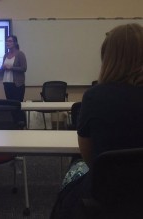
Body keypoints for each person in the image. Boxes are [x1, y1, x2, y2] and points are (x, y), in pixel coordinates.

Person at [50, 23, 143, 219]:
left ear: (108, 58)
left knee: (73, 172)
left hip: (107, 195)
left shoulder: (94, 97)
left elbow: (89, 157)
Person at [2, 35, 27, 102]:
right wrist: (3, 67)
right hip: (7, 83)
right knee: (9, 105)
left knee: (17, 105)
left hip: (17, 84)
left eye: (10, 41)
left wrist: (11, 68)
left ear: (15, 43)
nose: (7, 43)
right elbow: (3, 67)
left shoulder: (20, 54)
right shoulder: (5, 55)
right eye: (7, 41)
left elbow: (24, 68)